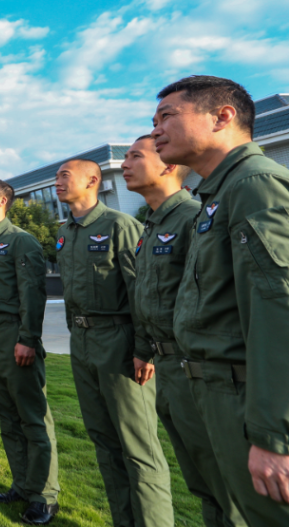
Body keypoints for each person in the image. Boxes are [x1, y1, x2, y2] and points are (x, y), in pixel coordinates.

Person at [152, 75, 289, 522]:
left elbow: (278, 311)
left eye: (167, 116)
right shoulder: (216, 195)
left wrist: (274, 437)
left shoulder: (254, 184)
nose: (155, 130)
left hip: (248, 399)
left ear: (222, 116)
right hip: (218, 392)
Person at [122, 135, 246, 527]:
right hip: (168, 365)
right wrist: (144, 348)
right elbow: (148, 294)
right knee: (203, 482)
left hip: (199, 367)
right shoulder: (152, 223)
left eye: (135, 156)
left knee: (229, 490)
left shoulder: (193, 217)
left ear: (168, 166)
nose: (125, 163)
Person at [54, 159, 173, 527]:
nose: (58, 182)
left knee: (138, 447)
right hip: (83, 342)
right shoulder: (66, 231)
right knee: (104, 442)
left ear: (93, 180)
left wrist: (143, 349)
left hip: (119, 342)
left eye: (64, 175)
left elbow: (140, 290)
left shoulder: (119, 225)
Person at [0, 180, 60, 525]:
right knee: (7, 416)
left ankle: (45, 496)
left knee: (33, 418)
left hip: (13, 335)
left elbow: (33, 294)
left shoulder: (21, 241)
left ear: (3, 200)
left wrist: (28, 338)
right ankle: (21, 484)